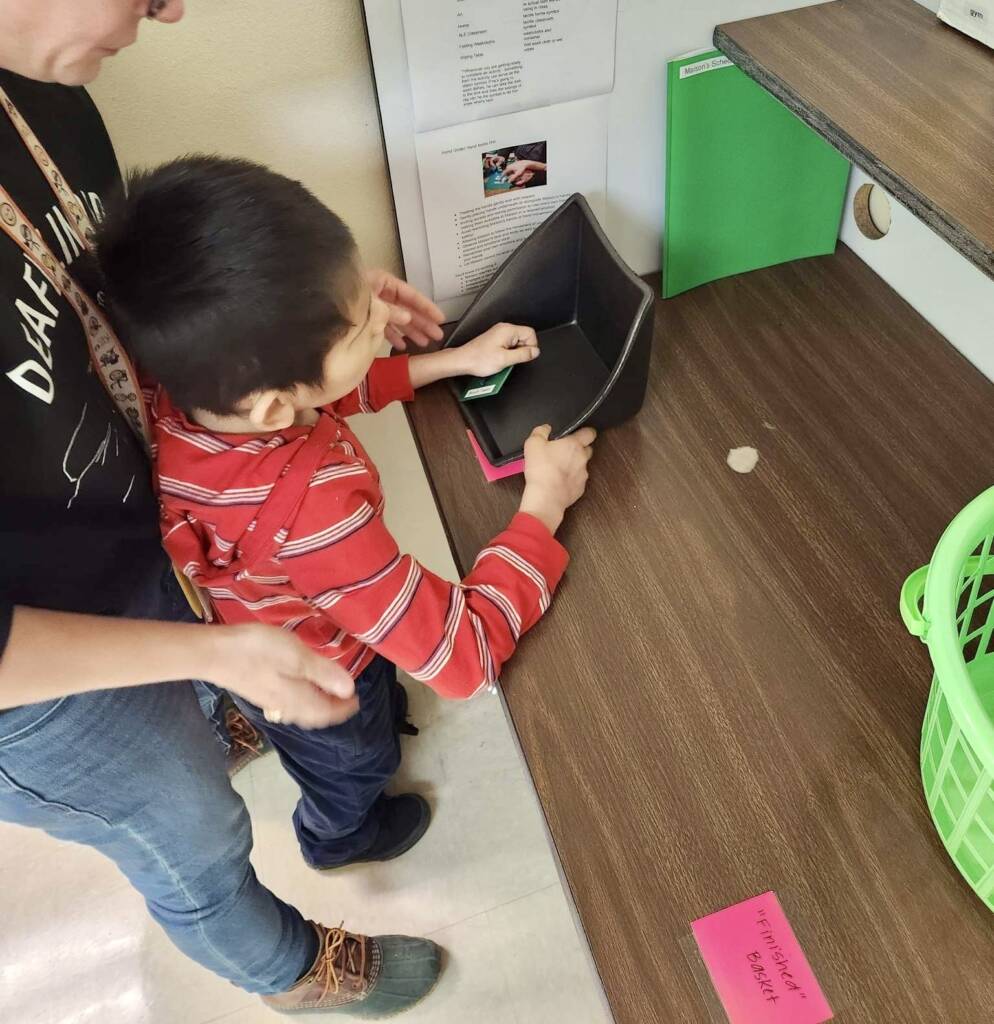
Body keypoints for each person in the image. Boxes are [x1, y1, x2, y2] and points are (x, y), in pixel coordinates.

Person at [0, 0, 452, 1015]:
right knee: (188, 829)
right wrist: (216, 653)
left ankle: (216, 700)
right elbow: (456, 647)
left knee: (216, 708)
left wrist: (300, 312)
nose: (171, 7)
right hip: (34, 681)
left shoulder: (48, 78)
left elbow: (114, 299)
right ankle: (289, 969)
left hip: (139, 543)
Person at [92, 154, 597, 865]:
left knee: (372, 707)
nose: (385, 318)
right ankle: (339, 838)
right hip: (321, 670)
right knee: (353, 765)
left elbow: (317, 393)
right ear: (273, 405)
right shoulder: (319, 514)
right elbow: (465, 657)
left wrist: (454, 361)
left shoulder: (179, 390)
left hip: (273, 616)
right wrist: (543, 503)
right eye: (364, 327)